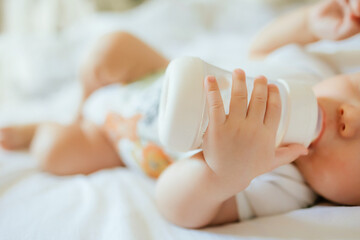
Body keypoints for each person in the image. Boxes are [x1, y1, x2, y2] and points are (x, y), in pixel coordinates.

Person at [0, 0, 359, 226]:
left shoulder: (285, 186)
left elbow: (174, 206)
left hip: (126, 141)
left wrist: (220, 174)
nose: (352, 117)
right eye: (358, 90)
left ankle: (44, 130)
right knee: (110, 48)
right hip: (158, 78)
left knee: (56, 151)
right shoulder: (309, 74)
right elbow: (263, 48)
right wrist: (310, 24)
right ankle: (81, 107)